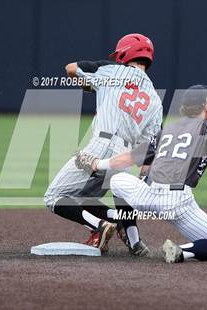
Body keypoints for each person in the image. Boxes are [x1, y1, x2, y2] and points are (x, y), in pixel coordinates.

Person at [75, 84, 207, 262]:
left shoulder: (166, 131)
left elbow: (129, 158)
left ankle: (133, 238)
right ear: (205, 106)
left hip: (148, 196)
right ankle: (181, 252)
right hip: (177, 203)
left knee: (118, 180)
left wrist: (97, 164)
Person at [44, 34, 163, 255]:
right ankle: (130, 233)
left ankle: (99, 226)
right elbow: (150, 148)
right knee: (84, 197)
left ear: (124, 54)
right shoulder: (155, 99)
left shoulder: (111, 70)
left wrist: (91, 85)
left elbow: (70, 69)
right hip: (125, 157)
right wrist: (141, 179)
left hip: (101, 146)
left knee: (54, 197)